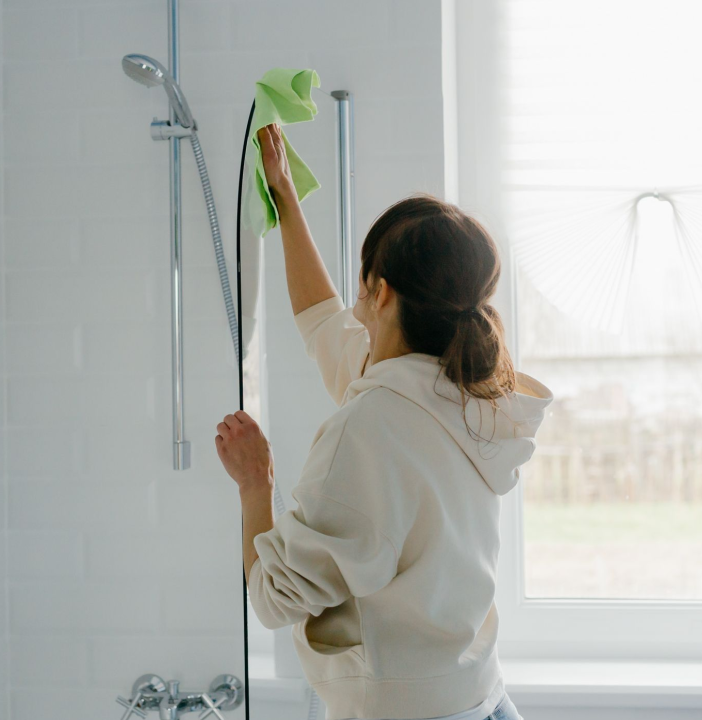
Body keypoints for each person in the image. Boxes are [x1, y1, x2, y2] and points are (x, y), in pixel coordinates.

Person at [215, 125, 553, 720]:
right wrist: (286, 202)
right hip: (481, 697)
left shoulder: (368, 428)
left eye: (363, 284)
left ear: (382, 292)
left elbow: (274, 597)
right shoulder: (467, 392)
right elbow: (322, 322)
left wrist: (254, 485)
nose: (354, 299)